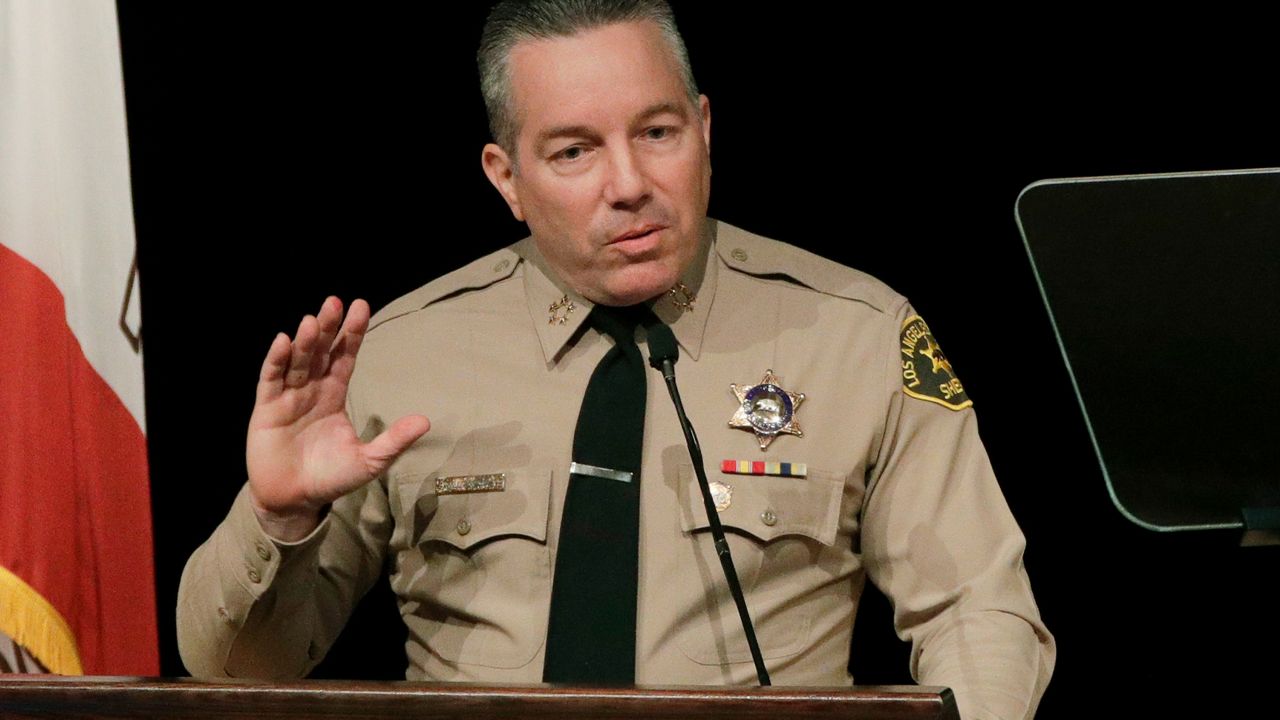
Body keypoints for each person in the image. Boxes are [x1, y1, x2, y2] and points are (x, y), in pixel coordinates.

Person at [177, 2, 1055, 717]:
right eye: (574, 151)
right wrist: (278, 517)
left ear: (705, 128)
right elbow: (236, 670)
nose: (628, 182)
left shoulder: (855, 335)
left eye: (659, 132)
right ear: (505, 177)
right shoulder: (401, 356)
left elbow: (979, 610)